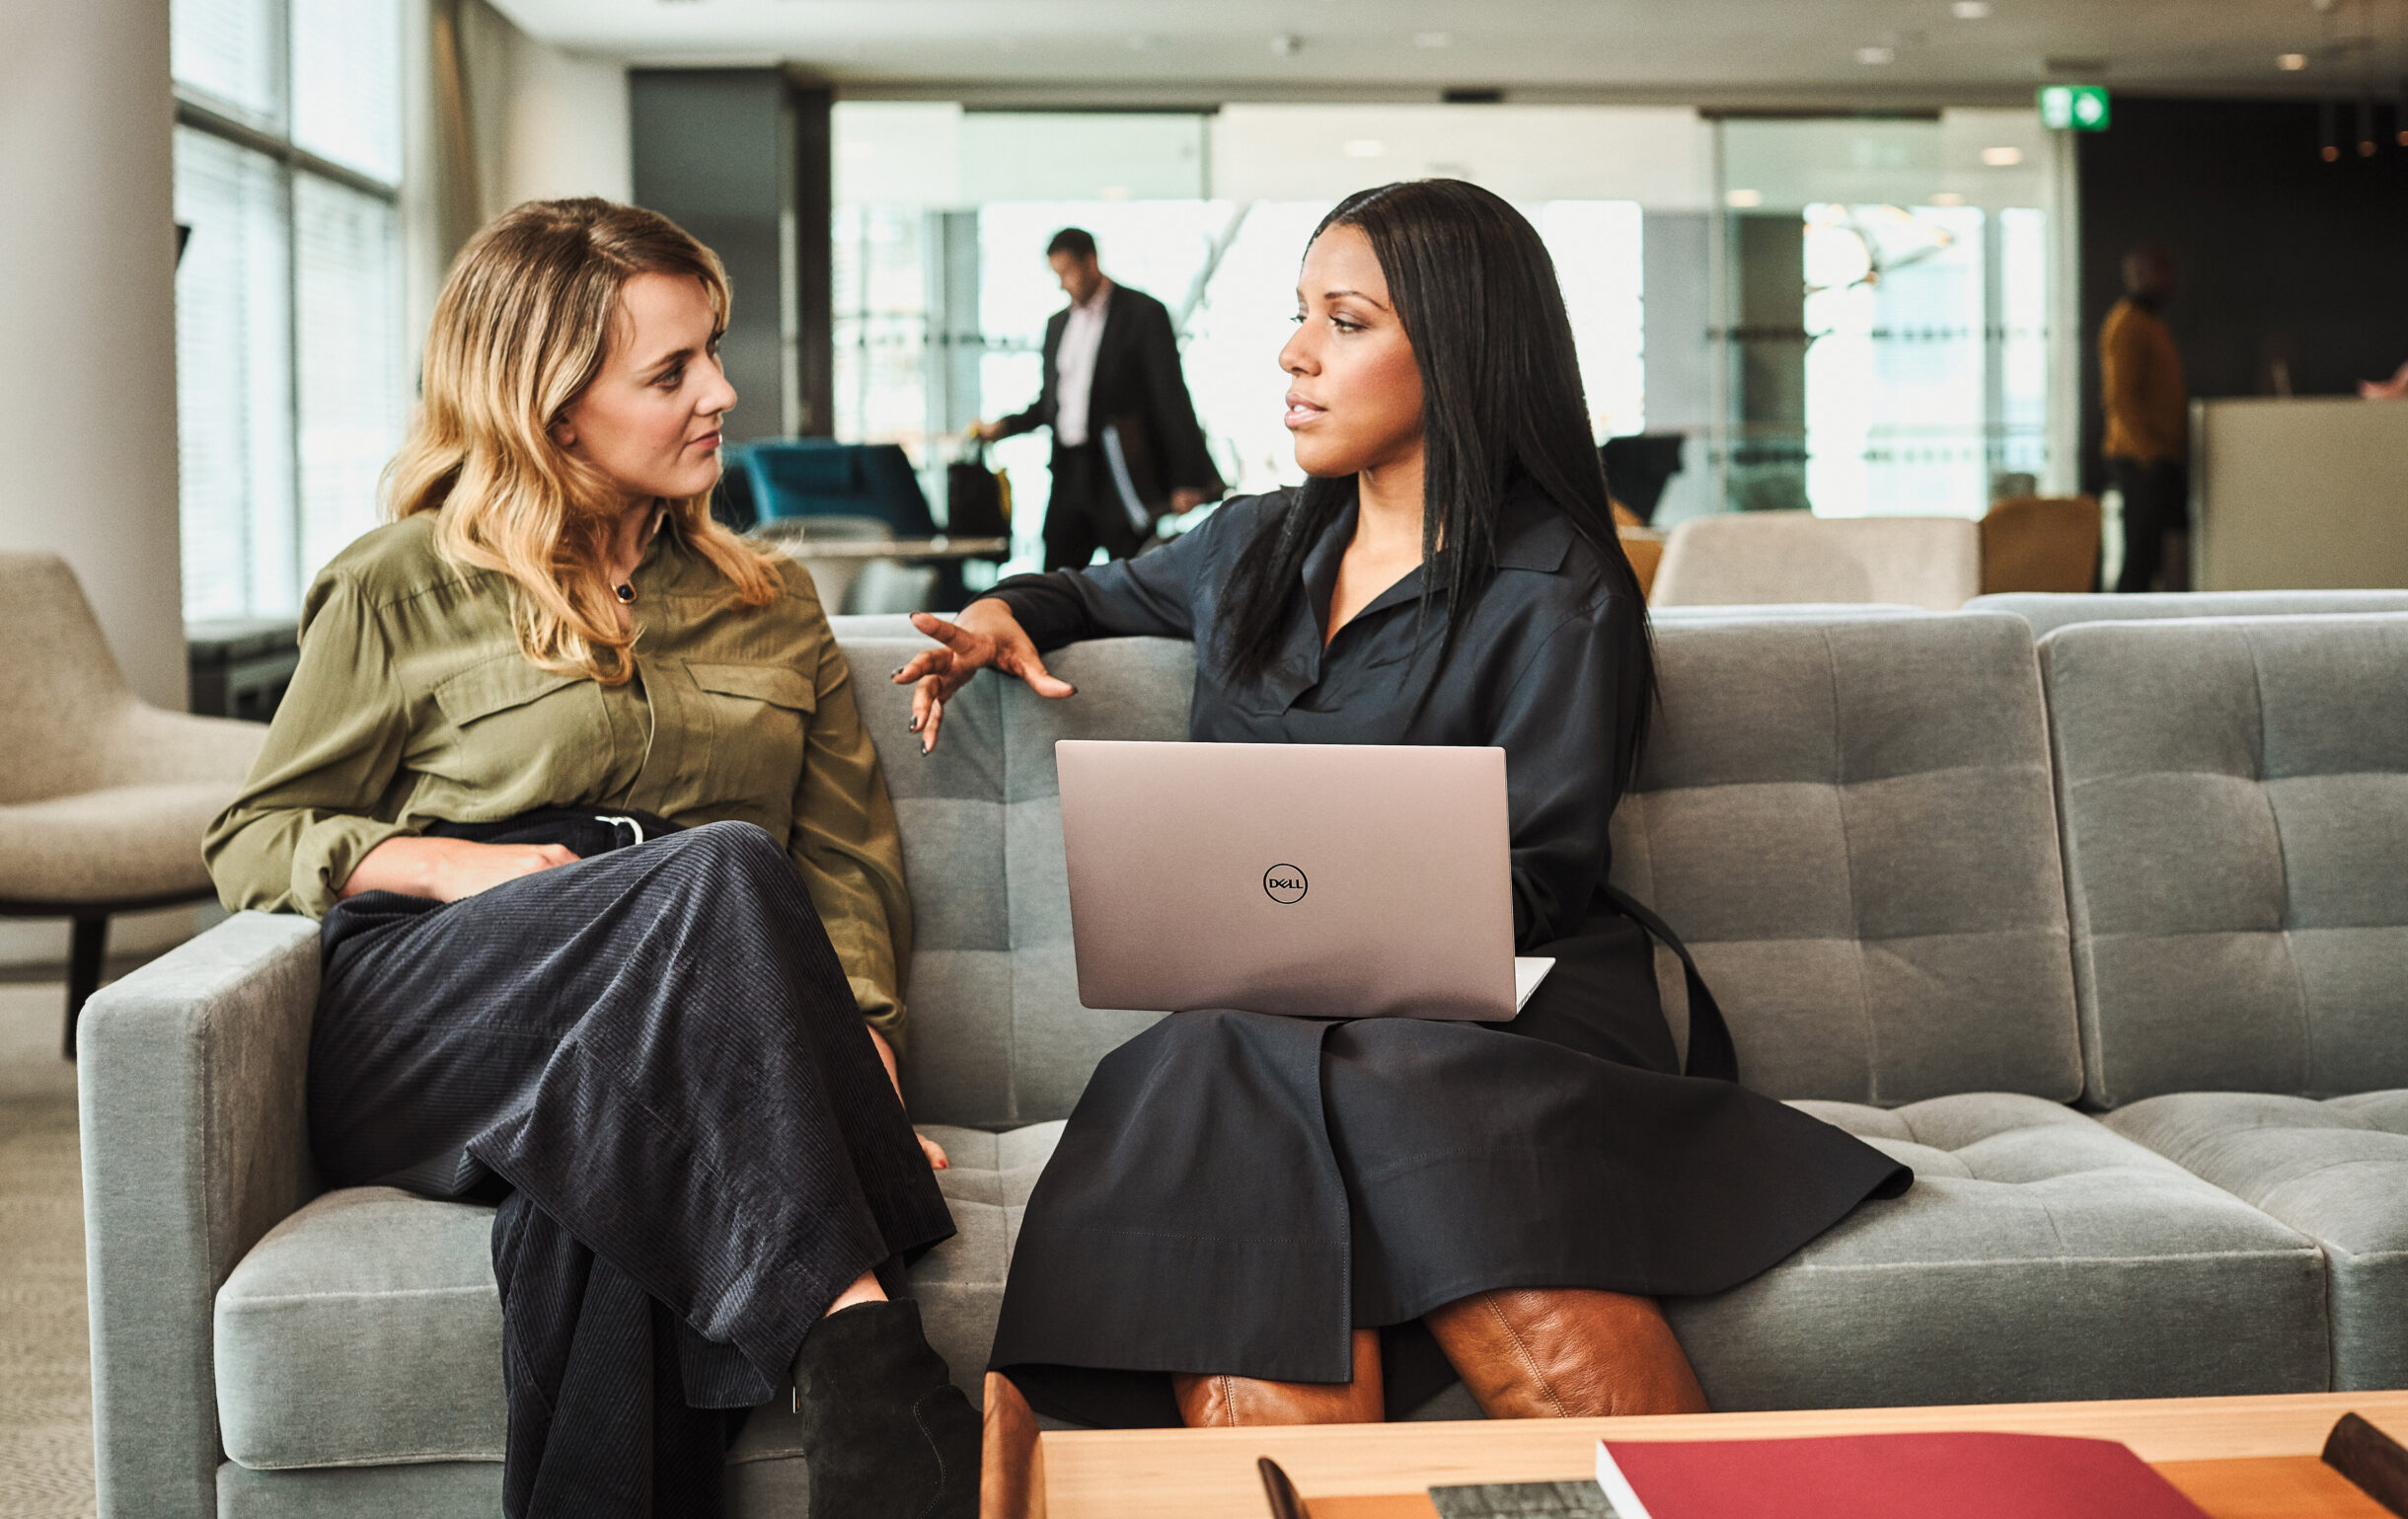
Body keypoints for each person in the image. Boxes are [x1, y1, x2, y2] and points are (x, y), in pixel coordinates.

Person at [896, 181, 1911, 1448]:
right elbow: (1086, 591)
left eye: (1346, 320)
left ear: (1461, 348)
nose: (1294, 352)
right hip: (1277, 1018)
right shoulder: (1250, 545)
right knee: (1218, 1064)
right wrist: (1006, 616)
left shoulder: (1557, 587)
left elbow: (1535, 879)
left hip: (1508, 1010)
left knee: (1244, 1080)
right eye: (1297, 316)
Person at [204, 198, 980, 1519]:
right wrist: (456, 867)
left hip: (665, 1013)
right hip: (440, 1003)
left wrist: (859, 1063)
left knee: (607, 1196)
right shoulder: (400, 583)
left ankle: (870, 1418)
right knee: (721, 869)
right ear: (552, 405)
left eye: (712, 352)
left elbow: (846, 869)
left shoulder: (770, 601)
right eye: (671, 370)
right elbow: (254, 835)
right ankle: (869, 1358)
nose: (722, 393)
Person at [971, 227, 1226, 571]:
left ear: (1090, 262)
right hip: (1068, 470)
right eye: (1056, 275)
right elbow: (1052, 402)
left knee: (1133, 571)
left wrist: (1188, 478)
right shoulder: (1058, 324)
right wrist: (1004, 427)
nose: (1062, 284)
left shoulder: (1142, 314)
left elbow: (1170, 397)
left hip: (1119, 469)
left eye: (1067, 272)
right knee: (1057, 573)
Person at [2100, 245, 2189, 593]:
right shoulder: (2127, 324)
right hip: (2139, 459)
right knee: (2138, 558)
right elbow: (2119, 397)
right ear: (2136, 275)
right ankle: (2120, 633)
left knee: (2152, 556)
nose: (2168, 281)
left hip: (2159, 457)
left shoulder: (2152, 323)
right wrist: (2147, 454)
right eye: (2158, 271)